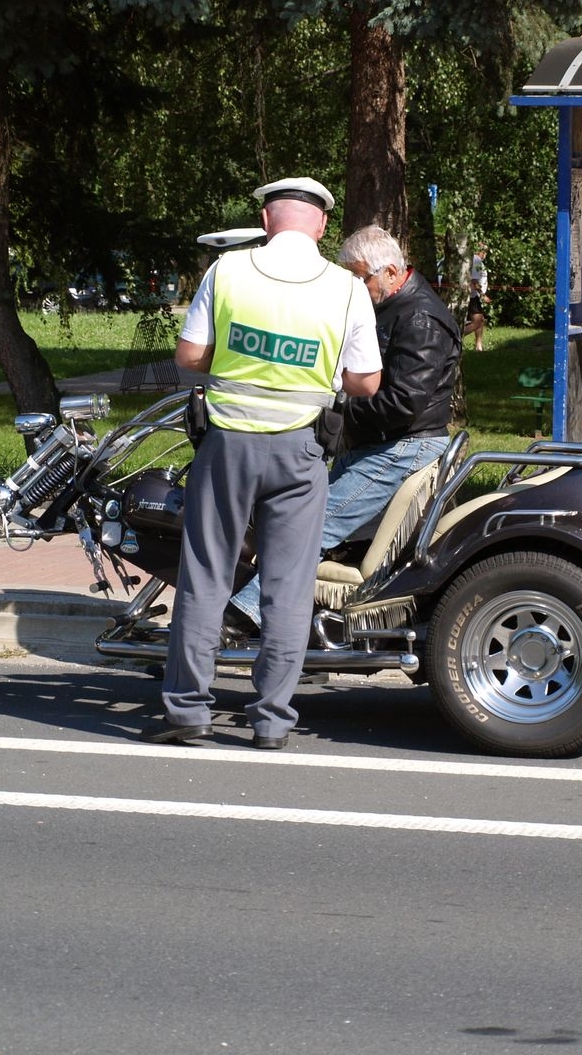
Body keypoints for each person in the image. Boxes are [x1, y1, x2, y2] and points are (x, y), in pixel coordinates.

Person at [140, 176, 381, 749]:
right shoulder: (346, 289)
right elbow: (367, 381)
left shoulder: (226, 272)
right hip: (302, 451)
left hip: (226, 446)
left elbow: (191, 354)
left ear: (269, 220)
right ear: (321, 226)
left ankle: (188, 713)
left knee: (204, 576)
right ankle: (271, 721)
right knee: (288, 587)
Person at [225, 224, 461, 636]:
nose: (351, 285)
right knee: (293, 515)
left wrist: (333, 410)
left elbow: (403, 403)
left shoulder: (419, 318)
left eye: (358, 277)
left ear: (389, 272)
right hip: (380, 444)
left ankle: (242, 617)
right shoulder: (389, 308)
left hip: (401, 448)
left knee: (310, 525)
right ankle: (293, 617)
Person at [462, 276, 489, 352]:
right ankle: (454, 336)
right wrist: (483, 295)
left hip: (473, 296)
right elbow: (474, 281)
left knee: (480, 320)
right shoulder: (476, 263)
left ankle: (478, 347)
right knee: (478, 322)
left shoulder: (479, 264)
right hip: (471, 296)